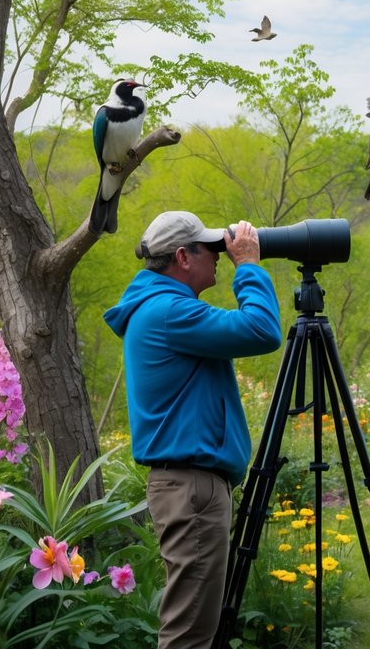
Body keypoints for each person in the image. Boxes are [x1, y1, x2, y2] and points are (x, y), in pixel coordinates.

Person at [104, 212, 282, 649]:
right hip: (192, 488)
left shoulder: (162, 308)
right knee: (189, 635)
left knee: (193, 626)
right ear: (183, 257)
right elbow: (261, 330)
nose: (220, 257)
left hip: (188, 485)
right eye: (211, 249)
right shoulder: (169, 312)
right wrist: (250, 266)